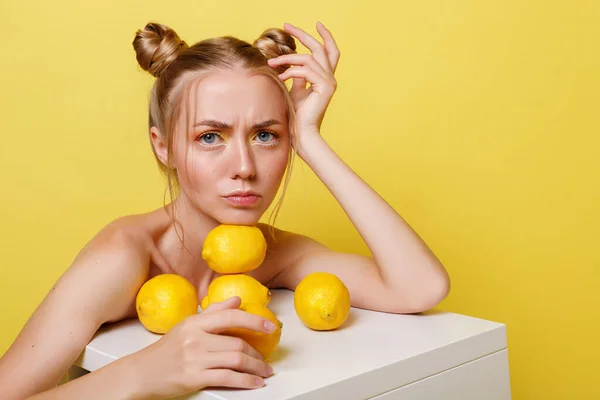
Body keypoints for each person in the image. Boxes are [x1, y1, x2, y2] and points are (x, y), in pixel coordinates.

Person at [0, 21, 450, 399]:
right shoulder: (122, 259)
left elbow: (419, 288)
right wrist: (141, 373)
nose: (244, 168)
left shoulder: (271, 252)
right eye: (210, 137)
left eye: (266, 135)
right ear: (164, 147)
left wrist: (311, 140)